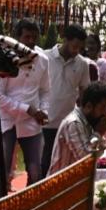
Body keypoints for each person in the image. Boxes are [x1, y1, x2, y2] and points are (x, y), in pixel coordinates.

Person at [0, 19, 50, 188]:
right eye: (27, 37)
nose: (31, 41)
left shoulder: (42, 60)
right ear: (17, 38)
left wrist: (44, 111)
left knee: (35, 171)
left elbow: (45, 90)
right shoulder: (5, 58)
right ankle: (0, 208)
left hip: (32, 122)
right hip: (7, 120)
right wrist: (27, 109)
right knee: (1, 171)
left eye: (34, 37)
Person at [40, 24, 90, 179]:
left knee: (64, 167)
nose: (77, 51)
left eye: (80, 48)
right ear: (64, 39)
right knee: (43, 165)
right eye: (75, 46)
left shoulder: (82, 63)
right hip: (44, 122)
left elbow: (84, 92)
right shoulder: (45, 57)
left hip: (68, 125)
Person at [48, 81, 106, 175]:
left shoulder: (90, 122)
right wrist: (98, 133)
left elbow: (99, 153)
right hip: (62, 184)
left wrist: (100, 134)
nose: (105, 113)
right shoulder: (74, 123)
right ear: (89, 106)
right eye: (102, 108)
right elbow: (85, 159)